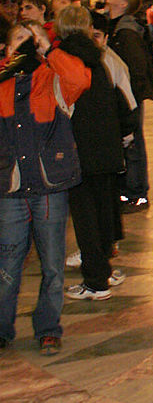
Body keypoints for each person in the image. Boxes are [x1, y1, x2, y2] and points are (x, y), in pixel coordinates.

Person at [0, 20, 90, 354]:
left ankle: (48, 327)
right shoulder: (2, 83)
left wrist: (47, 48)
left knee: (52, 264)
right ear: (7, 49)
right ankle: (2, 328)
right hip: (11, 187)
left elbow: (81, 79)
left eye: (29, 40)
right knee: (7, 263)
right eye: (17, 41)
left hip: (49, 186)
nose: (23, 46)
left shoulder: (53, 79)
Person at [58, 8, 136, 301]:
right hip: (106, 149)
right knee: (103, 213)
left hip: (81, 150)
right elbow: (119, 102)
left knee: (85, 218)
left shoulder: (65, 60)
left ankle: (95, 281)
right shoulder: (99, 59)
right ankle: (103, 271)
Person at [106, 0, 153, 212]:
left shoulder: (127, 33)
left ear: (123, 4)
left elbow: (137, 68)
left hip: (129, 96)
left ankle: (137, 194)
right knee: (126, 143)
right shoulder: (115, 27)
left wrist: (129, 99)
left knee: (133, 142)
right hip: (122, 96)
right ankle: (126, 191)